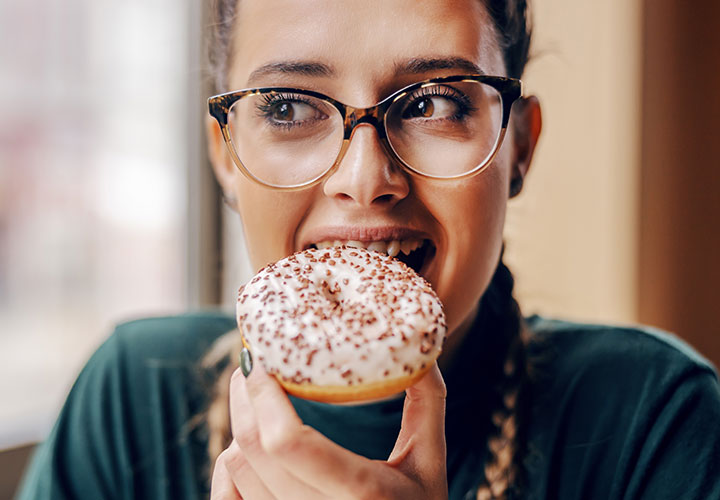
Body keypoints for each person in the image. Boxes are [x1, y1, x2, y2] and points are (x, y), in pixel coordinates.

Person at [16, 0, 720, 499]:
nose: (364, 179)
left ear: (519, 147)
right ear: (225, 156)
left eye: (434, 101)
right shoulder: (129, 398)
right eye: (289, 106)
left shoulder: (656, 424)